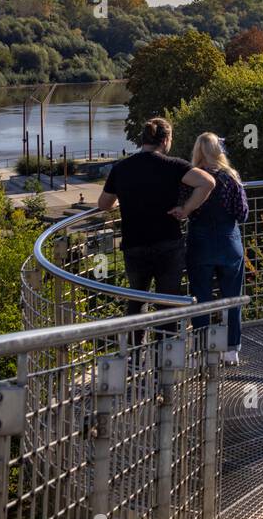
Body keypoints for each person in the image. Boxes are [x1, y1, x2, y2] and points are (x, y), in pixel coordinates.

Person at [97, 117, 215, 323]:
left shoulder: (121, 168)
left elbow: (104, 204)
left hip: (134, 245)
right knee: (167, 302)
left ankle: (134, 353)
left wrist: (119, 203)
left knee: (136, 301)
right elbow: (207, 182)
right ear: (165, 140)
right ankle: (165, 351)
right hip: (168, 243)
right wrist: (186, 209)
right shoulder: (174, 165)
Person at [177, 132, 248, 365]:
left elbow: (184, 208)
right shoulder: (231, 178)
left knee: (201, 298)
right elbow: (243, 214)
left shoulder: (191, 179)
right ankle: (231, 350)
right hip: (230, 242)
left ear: (198, 151)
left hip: (201, 243)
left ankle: (202, 351)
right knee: (232, 298)